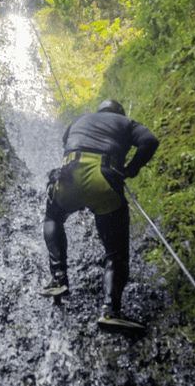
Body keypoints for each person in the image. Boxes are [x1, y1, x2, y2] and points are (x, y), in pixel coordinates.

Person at [40, 99, 159, 327]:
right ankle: (111, 311)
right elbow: (150, 141)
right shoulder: (126, 122)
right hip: (103, 179)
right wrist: (131, 168)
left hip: (68, 176)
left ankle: (58, 278)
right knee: (115, 253)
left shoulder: (80, 120)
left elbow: (66, 141)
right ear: (119, 112)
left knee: (53, 217)